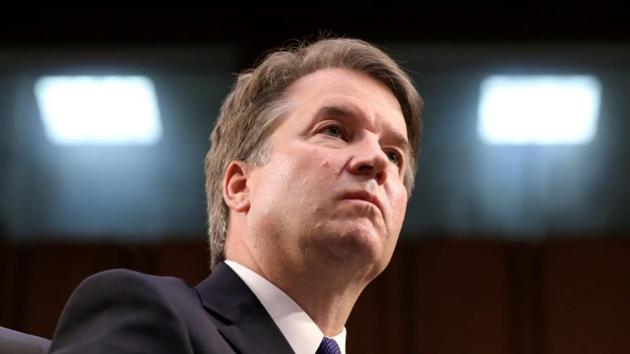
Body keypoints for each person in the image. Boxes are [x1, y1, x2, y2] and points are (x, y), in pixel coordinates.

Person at [48, 37, 423, 354]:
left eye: (394, 155)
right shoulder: (148, 313)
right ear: (240, 185)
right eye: (335, 131)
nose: (377, 160)